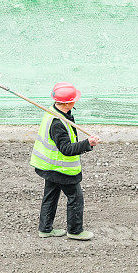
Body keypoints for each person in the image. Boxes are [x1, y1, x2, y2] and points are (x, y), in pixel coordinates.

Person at [30, 82, 101, 241]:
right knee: (75, 197)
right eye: (74, 99)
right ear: (68, 102)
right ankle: (75, 231)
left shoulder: (55, 112)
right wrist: (87, 143)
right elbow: (66, 149)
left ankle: (45, 229)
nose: (76, 101)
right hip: (59, 168)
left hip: (47, 165)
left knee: (51, 195)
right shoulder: (57, 123)